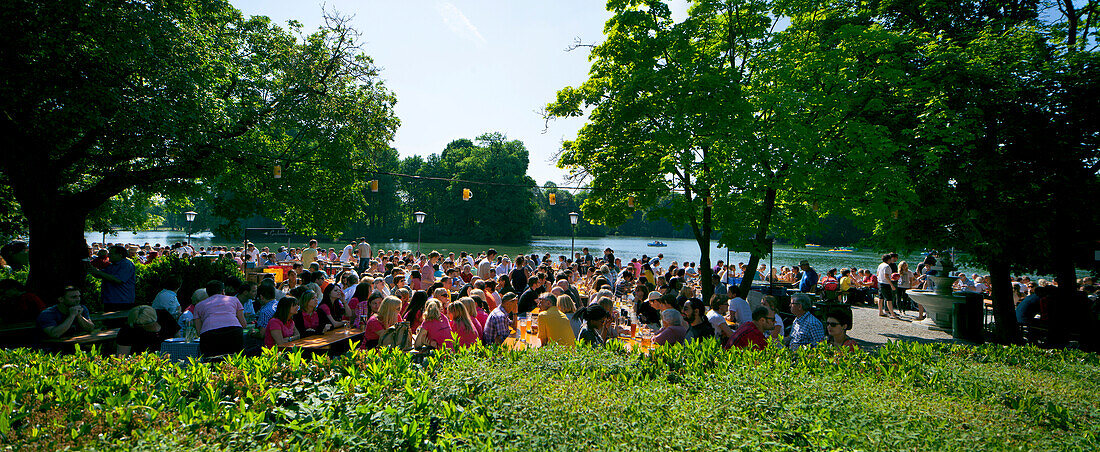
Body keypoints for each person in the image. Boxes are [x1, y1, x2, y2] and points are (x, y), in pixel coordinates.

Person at [192, 280, 246, 356]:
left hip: (209, 334)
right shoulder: (234, 300)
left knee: (211, 361)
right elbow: (243, 324)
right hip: (234, 332)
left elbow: (199, 331)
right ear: (223, 291)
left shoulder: (198, 306)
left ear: (207, 293)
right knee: (235, 360)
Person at [86, 245, 137, 310]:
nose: (108, 256)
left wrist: (99, 272)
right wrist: (90, 268)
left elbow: (118, 280)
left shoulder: (127, 264)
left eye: (111, 254)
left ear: (120, 255)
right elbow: (100, 275)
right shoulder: (112, 265)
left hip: (122, 301)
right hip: (109, 300)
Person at [876, 254, 899, 319]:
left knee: (881, 298)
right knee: (889, 299)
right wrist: (891, 285)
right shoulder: (887, 266)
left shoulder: (880, 265)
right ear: (889, 259)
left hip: (880, 282)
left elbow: (877, 273)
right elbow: (886, 276)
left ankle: (880, 311)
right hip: (885, 284)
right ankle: (892, 313)